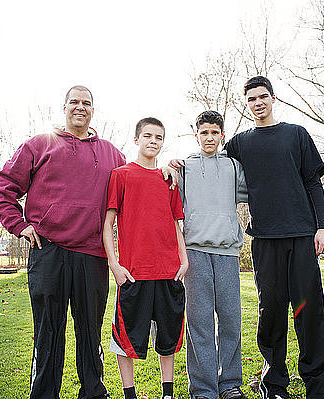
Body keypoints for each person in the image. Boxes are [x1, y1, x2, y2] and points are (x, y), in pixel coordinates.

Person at [0, 86, 126, 399]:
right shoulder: (39, 145)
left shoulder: (110, 153)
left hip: (93, 255)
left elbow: (134, 183)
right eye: (74, 102)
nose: (80, 107)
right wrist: (19, 225)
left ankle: (93, 392)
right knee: (48, 330)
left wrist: (165, 171)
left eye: (86, 103)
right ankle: (44, 393)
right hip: (48, 251)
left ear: (94, 110)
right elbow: (3, 188)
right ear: (64, 107)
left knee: (89, 331)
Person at [224, 76, 324, 399]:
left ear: (274, 98)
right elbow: (214, 163)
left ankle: (318, 384)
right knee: (271, 311)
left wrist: (323, 226)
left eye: (263, 96)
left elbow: (314, 183)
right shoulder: (240, 143)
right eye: (251, 99)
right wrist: (179, 164)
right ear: (246, 104)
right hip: (264, 240)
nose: (258, 103)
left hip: (301, 236)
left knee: (307, 310)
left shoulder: (295, 135)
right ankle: (274, 385)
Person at [102, 117, 188, 399]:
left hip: (168, 271)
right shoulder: (121, 175)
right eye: (148, 136)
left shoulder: (168, 179)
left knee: (169, 336)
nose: (153, 141)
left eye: (159, 137)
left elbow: (176, 222)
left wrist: (183, 260)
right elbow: (109, 223)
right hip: (134, 273)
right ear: (137, 139)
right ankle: (130, 394)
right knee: (125, 340)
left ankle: (168, 392)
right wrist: (114, 264)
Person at [177, 111, 249, 399]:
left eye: (215, 132)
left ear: (222, 135)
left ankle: (229, 383)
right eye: (204, 132)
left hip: (228, 253)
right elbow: (169, 201)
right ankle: (204, 389)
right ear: (196, 135)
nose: (209, 137)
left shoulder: (233, 167)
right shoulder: (184, 167)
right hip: (195, 253)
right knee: (200, 322)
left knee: (231, 320)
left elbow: (253, 193)